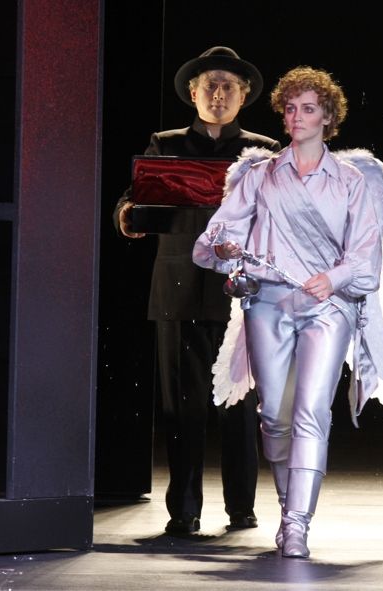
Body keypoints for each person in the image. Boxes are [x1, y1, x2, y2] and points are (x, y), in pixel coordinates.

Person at [193, 66, 383, 558]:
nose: (295, 117)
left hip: (328, 307)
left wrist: (331, 279)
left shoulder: (354, 181)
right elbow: (215, 237)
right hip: (266, 302)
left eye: (307, 109)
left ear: (328, 117)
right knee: (274, 417)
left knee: (312, 412)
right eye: (289, 108)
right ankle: (290, 505)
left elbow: (366, 255)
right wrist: (224, 248)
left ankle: (296, 525)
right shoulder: (259, 174)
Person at [113, 46, 281, 536]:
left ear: (243, 96)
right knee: (180, 405)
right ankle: (183, 510)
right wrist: (126, 215)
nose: (219, 93)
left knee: (240, 405)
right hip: (178, 289)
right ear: (193, 92)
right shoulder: (164, 143)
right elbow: (134, 197)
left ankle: (242, 508)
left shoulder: (262, 151)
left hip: (241, 294)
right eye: (210, 84)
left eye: (229, 85)